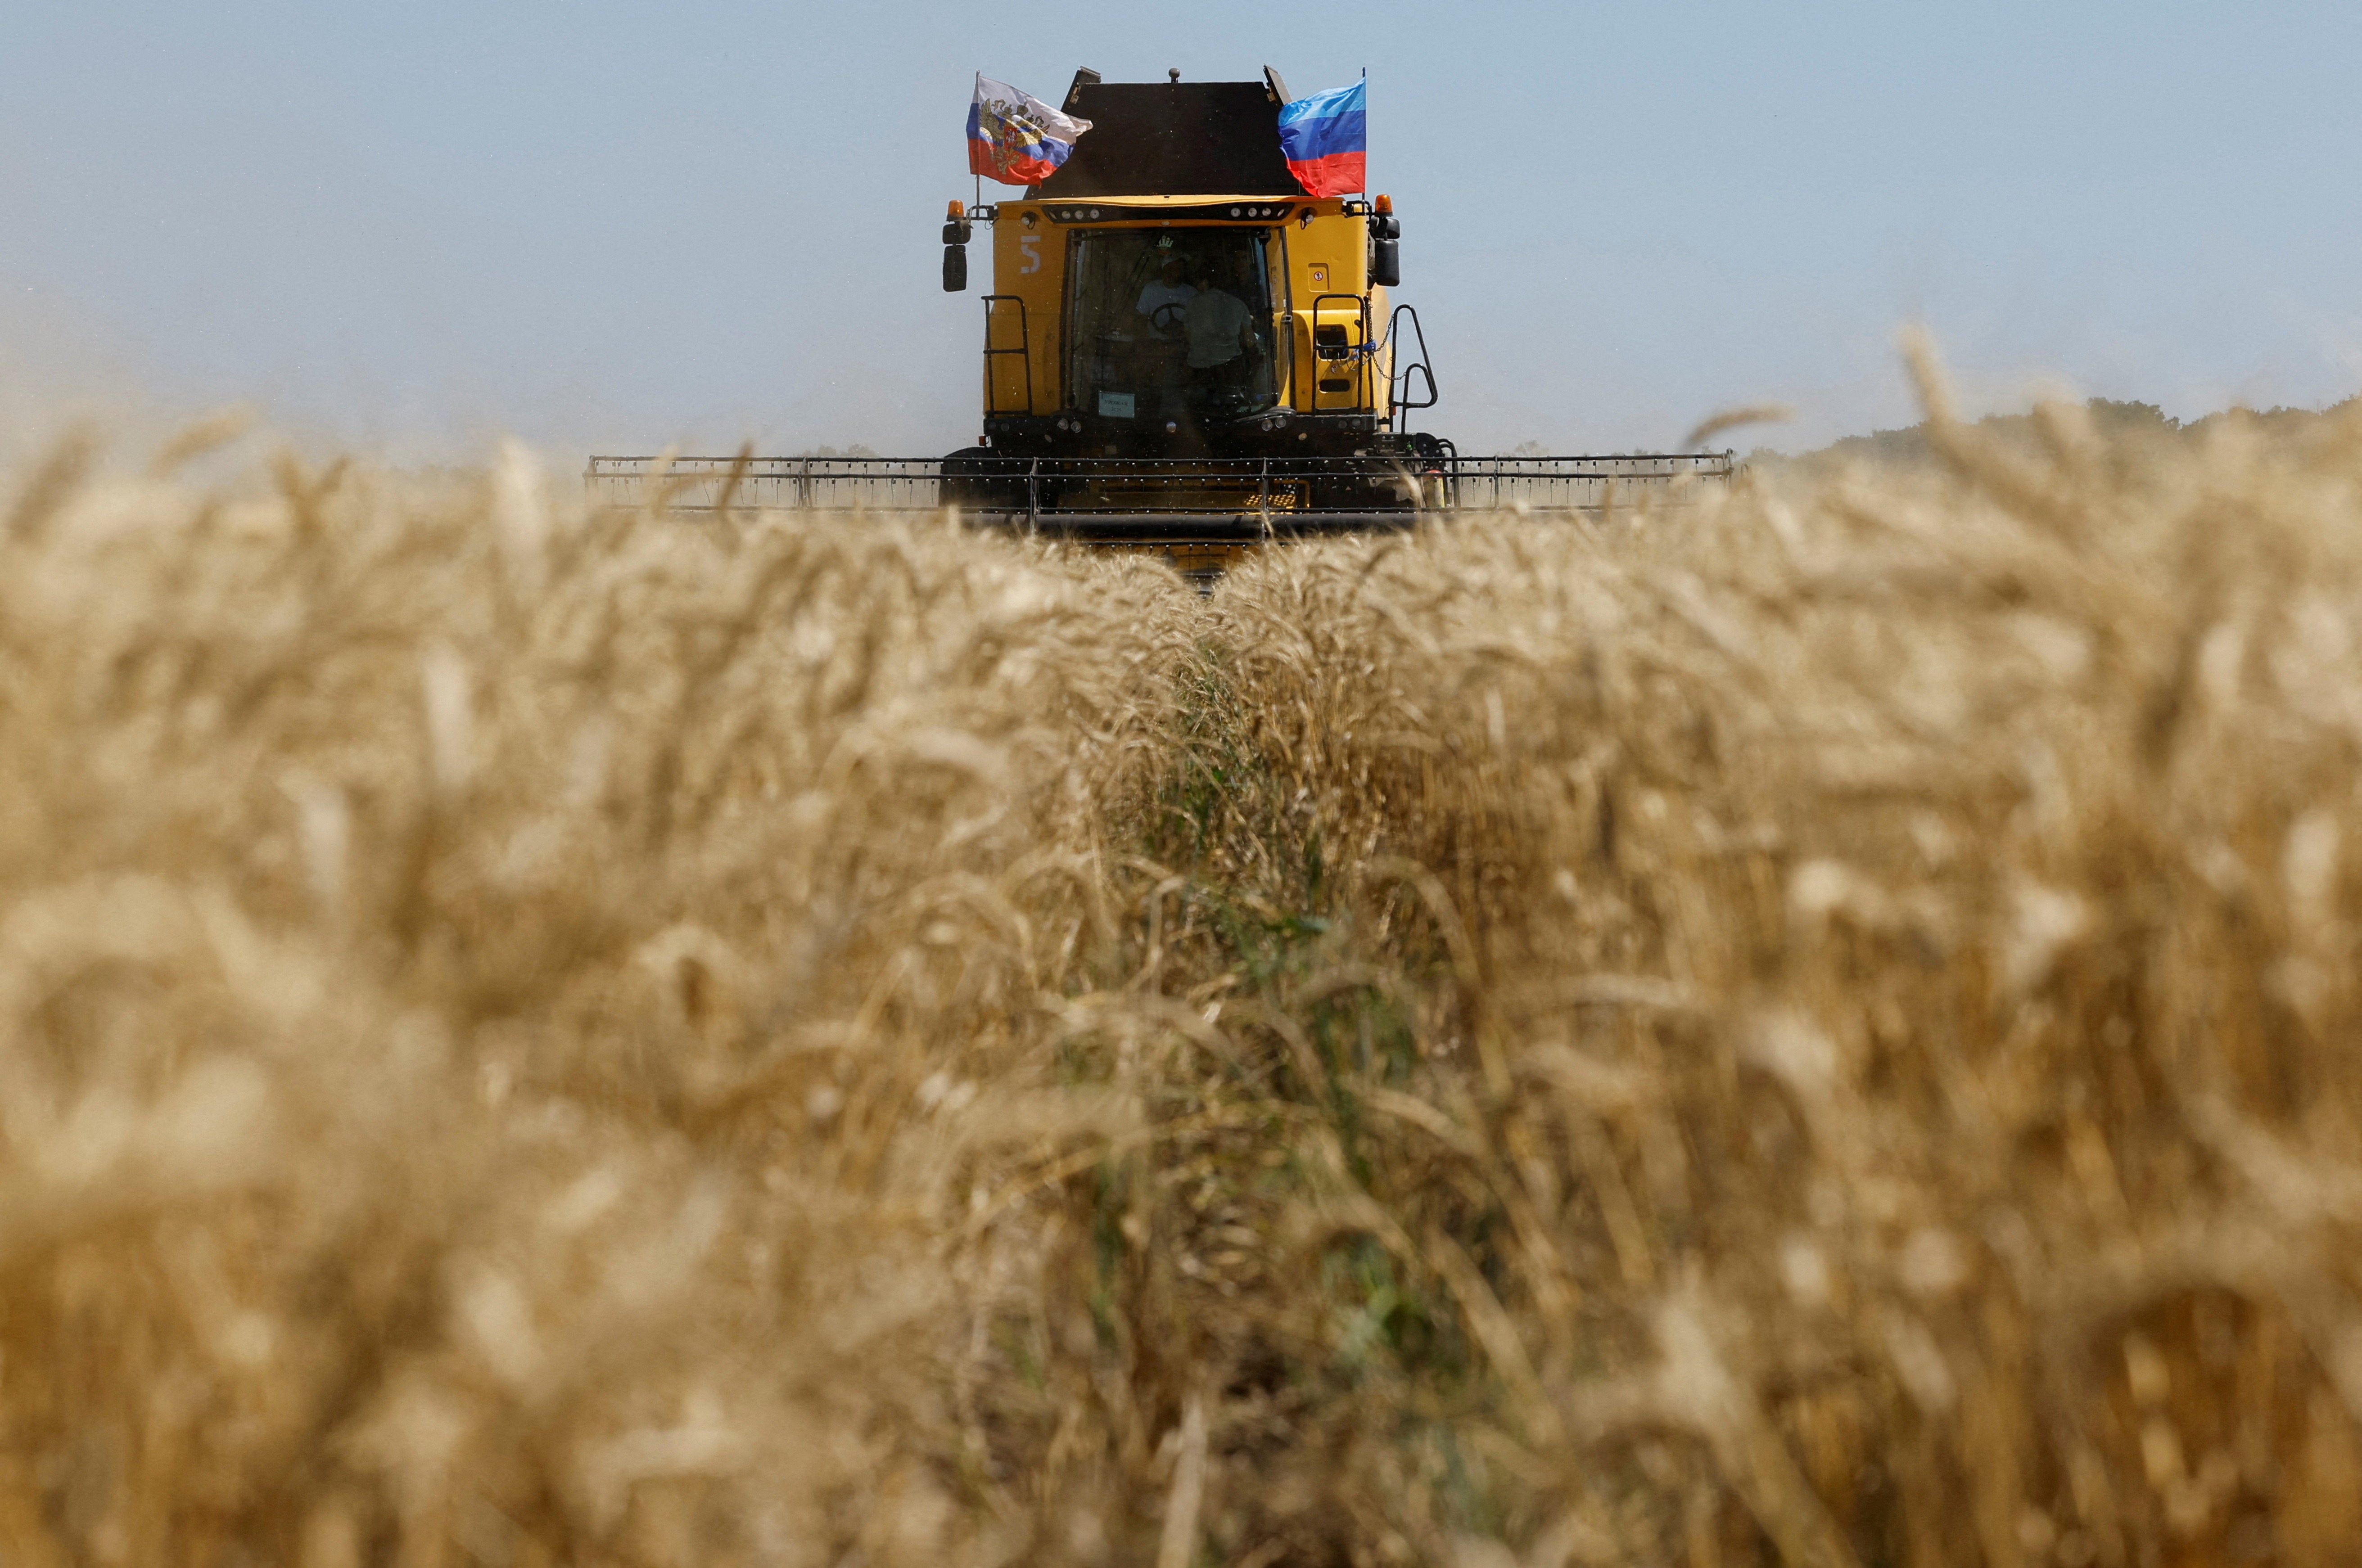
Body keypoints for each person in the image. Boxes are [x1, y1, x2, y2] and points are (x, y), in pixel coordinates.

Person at [1182, 262, 1257, 391]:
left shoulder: (1191, 304)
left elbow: (1189, 337)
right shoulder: (1239, 305)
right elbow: (1250, 342)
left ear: (1205, 282)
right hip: (1231, 371)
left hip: (1199, 370)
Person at [1135, 255, 1195, 337]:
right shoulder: (1152, 289)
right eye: (1177, 268)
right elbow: (1141, 317)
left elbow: (1198, 321)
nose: (1181, 271)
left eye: (1182, 268)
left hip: (1183, 342)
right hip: (1156, 343)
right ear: (1167, 270)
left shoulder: (1192, 292)